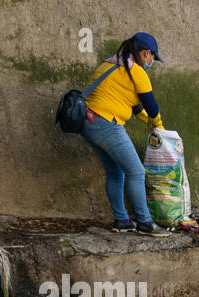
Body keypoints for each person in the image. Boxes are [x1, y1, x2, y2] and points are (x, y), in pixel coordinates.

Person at [80, 33, 170, 235]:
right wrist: (157, 123)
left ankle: (122, 220)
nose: (152, 62)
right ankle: (145, 222)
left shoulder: (111, 65)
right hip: (106, 123)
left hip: (88, 123)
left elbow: (137, 108)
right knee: (136, 172)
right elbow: (151, 107)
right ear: (146, 53)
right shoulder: (136, 72)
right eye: (153, 58)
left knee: (115, 173)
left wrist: (152, 123)